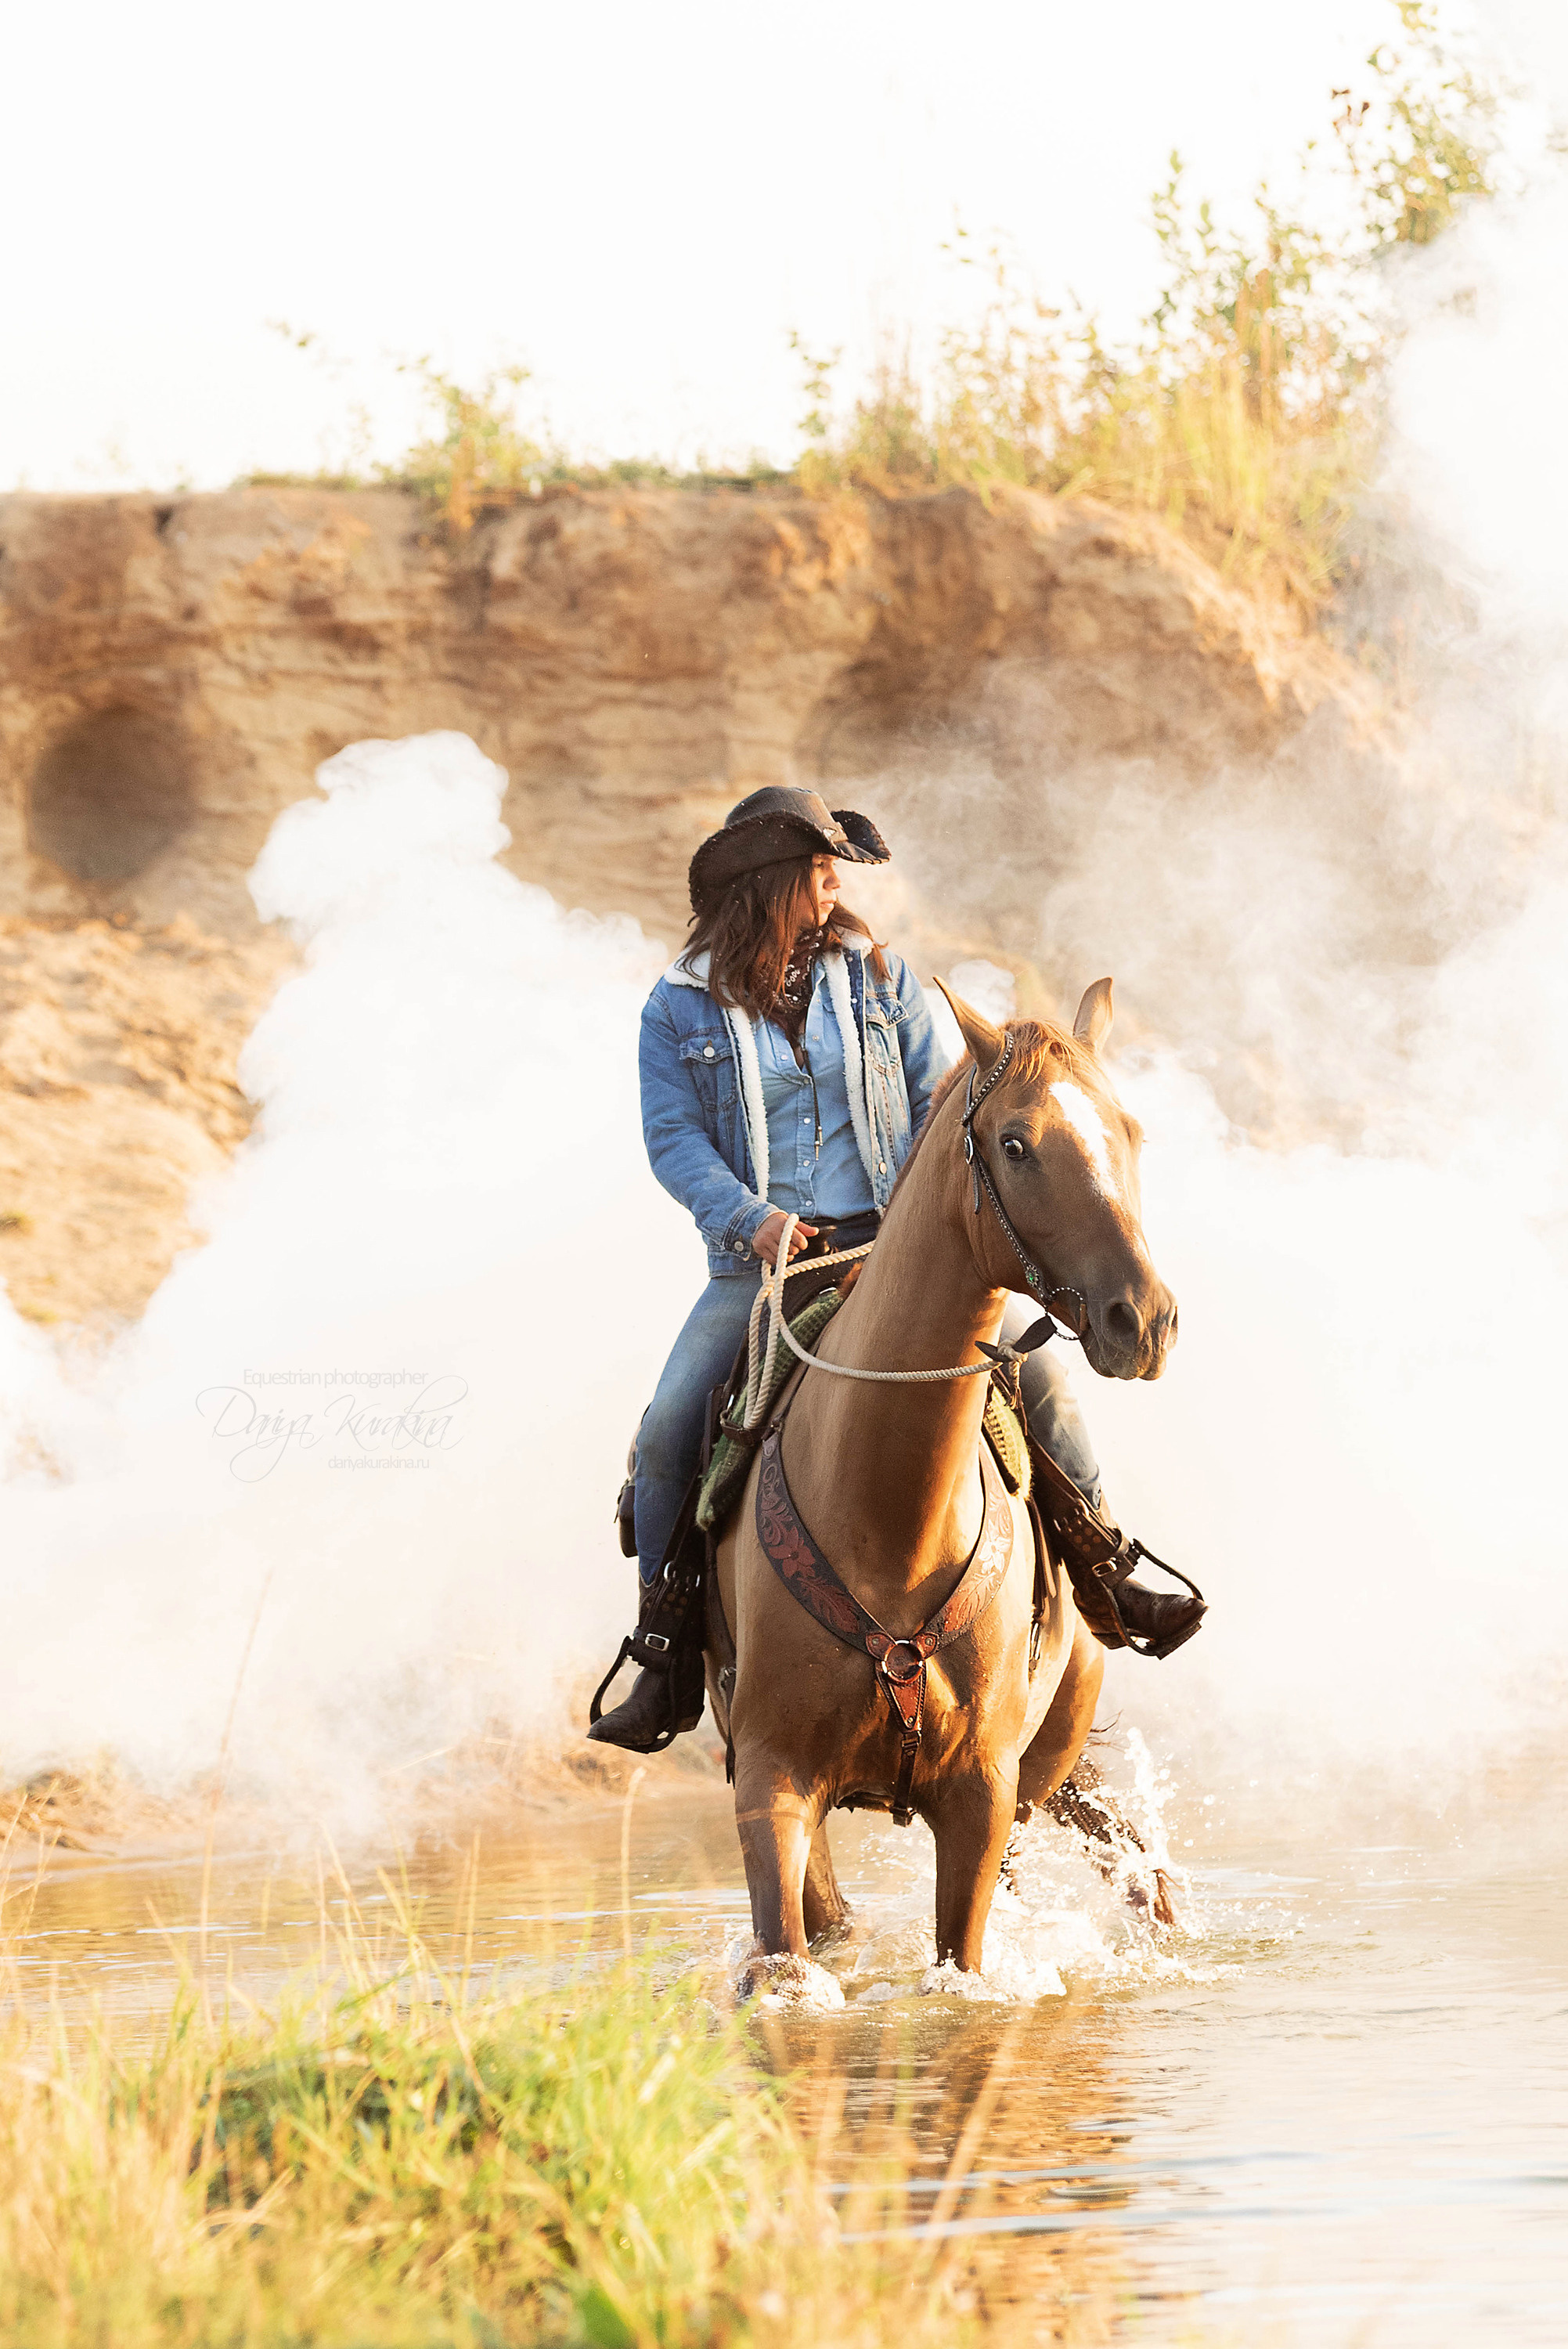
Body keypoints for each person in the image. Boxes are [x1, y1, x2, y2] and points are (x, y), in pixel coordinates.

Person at [587, 787, 1198, 1753]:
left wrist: (930, 1228)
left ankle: (1103, 1566)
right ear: (767, 887)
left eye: (835, 876)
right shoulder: (674, 1010)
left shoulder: (880, 980)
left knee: (1032, 1377)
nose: (832, 894)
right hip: (761, 1271)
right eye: (817, 876)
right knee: (669, 1430)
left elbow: (939, 1107)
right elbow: (675, 1143)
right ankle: (663, 1651)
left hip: (892, 1248)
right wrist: (753, 1221)